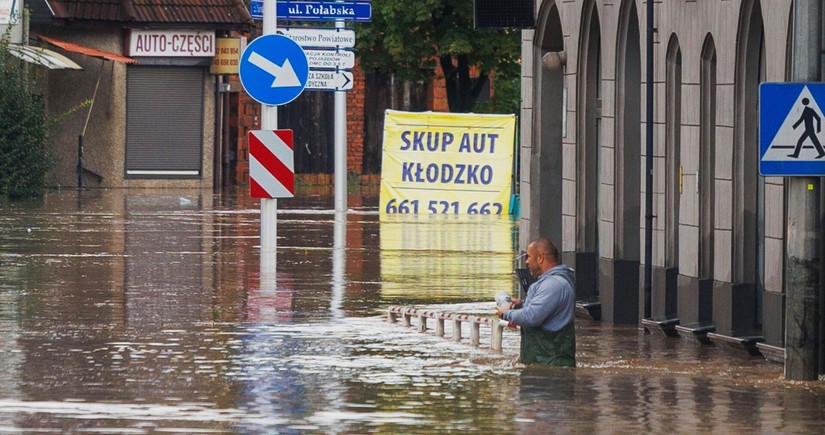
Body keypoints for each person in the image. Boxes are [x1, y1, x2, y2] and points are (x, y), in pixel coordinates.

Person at [496, 237, 576, 366]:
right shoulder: (550, 283)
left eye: (528, 257)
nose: (526, 262)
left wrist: (506, 313)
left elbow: (532, 317)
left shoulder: (553, 285)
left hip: (550, 369)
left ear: (540, 257)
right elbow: (541, 312)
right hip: (544, 364)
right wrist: (521, 305)